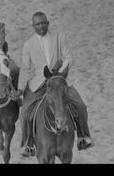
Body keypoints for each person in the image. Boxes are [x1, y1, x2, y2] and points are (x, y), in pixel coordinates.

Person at [11, 11, 94, 157]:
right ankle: (28, 144)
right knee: (25, 113)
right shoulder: (28, 45)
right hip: (38, 84)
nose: (41, 26)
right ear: (33, 26)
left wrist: (60, 72)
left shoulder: (59, 37)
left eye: (43, 23)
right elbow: (25, 69)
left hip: (58, 80)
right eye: (37, 24)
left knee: (80, 105)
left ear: (48, 23)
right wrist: (20, 89)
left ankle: (83, 137)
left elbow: (68, 58)